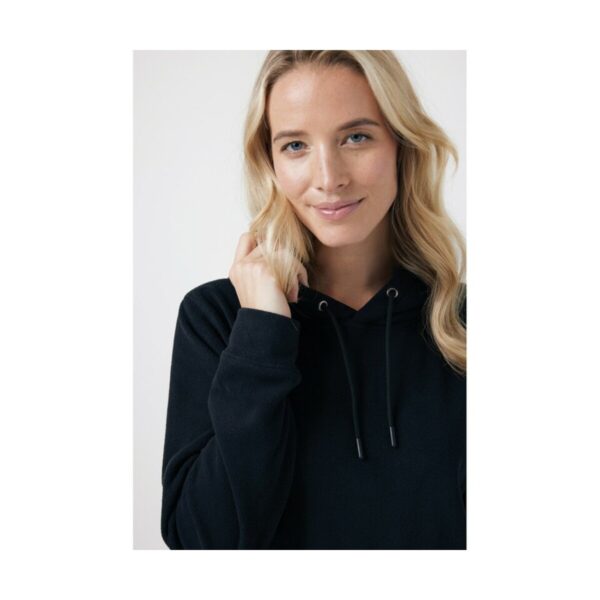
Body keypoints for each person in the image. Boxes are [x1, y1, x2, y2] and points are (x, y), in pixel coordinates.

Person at [160, 50, 466, 550]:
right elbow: (200, 544)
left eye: (356, 137)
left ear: (403, 145)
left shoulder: (461, 325)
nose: (328, 177)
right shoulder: (218, 320)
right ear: (271, 163)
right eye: (296, 145)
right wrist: (262, 332)